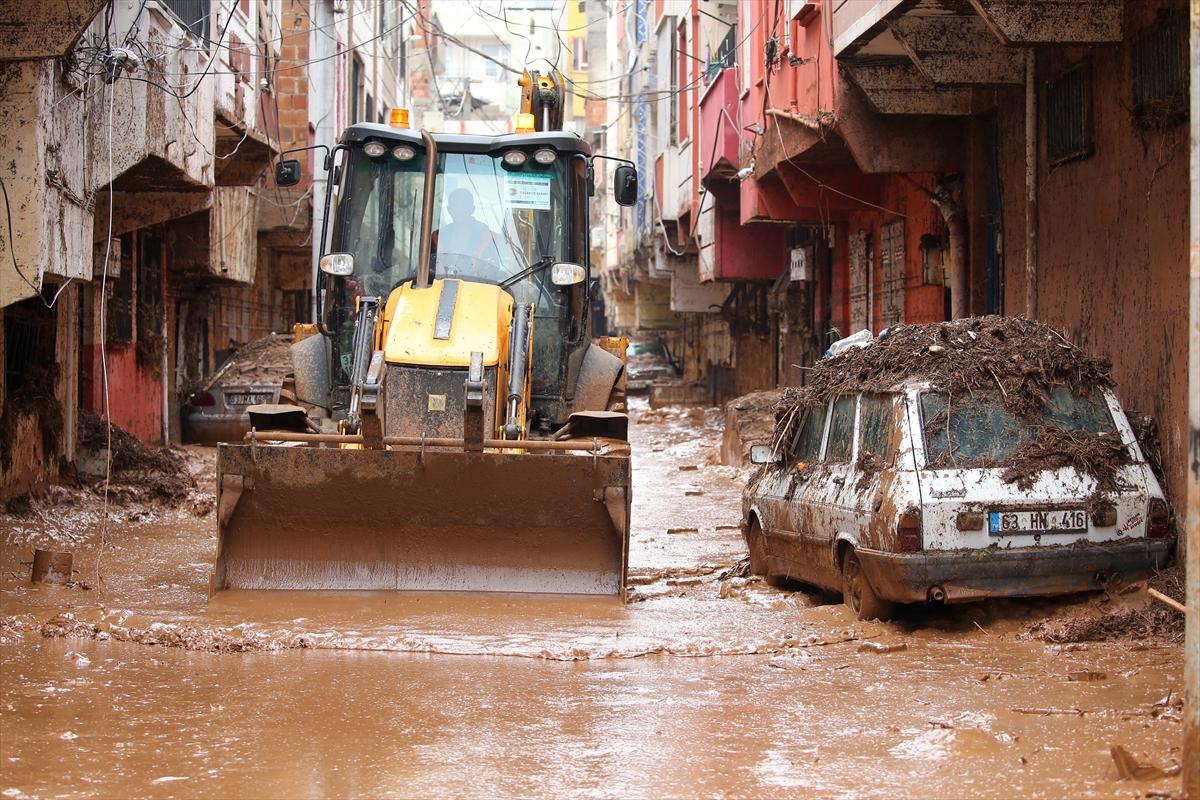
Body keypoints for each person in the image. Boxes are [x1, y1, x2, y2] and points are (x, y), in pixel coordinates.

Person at [434, 188, 501, 270]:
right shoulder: (439, 235)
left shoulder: (486, 236)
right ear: (449, 209)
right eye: (455, 206)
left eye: (464, 206)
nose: (459, 210)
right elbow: (430, 267)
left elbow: (493, 269)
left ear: (472, 209)